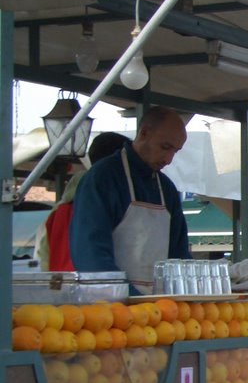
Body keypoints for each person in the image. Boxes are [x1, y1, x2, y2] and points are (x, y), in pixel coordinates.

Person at [70, 106, 191, 294]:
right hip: (108, 307)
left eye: (176, 151)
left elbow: (180, 256)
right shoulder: (102, 178)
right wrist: (131, 298)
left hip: (162, 310)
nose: (169, 159)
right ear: (143, 133)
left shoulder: (167, 189)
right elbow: (91, 255)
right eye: (165, 147)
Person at [37, 132, 131, 271]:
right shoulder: (108, 206)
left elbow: (43, 258)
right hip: (99, 288)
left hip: (60, 288)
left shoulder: (57, 212)